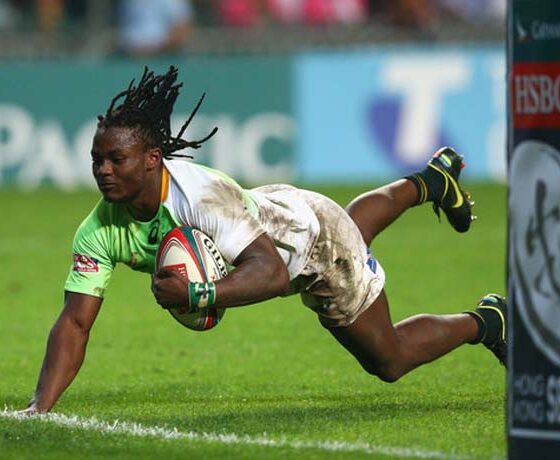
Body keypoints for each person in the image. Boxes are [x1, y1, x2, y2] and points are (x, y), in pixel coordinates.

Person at [21, 66, 506, 414]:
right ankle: (430, 182)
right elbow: (75, 322)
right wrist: (40, 407)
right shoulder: (98, 230)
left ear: (152, 159)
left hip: (310, 247)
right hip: (277, 212)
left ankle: (488, 321)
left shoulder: (200, 196)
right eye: (96, 159)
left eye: (116, 159)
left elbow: (272, 274)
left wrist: (198, 293)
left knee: (389, 358)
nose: (103, 170)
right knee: (352, 230)